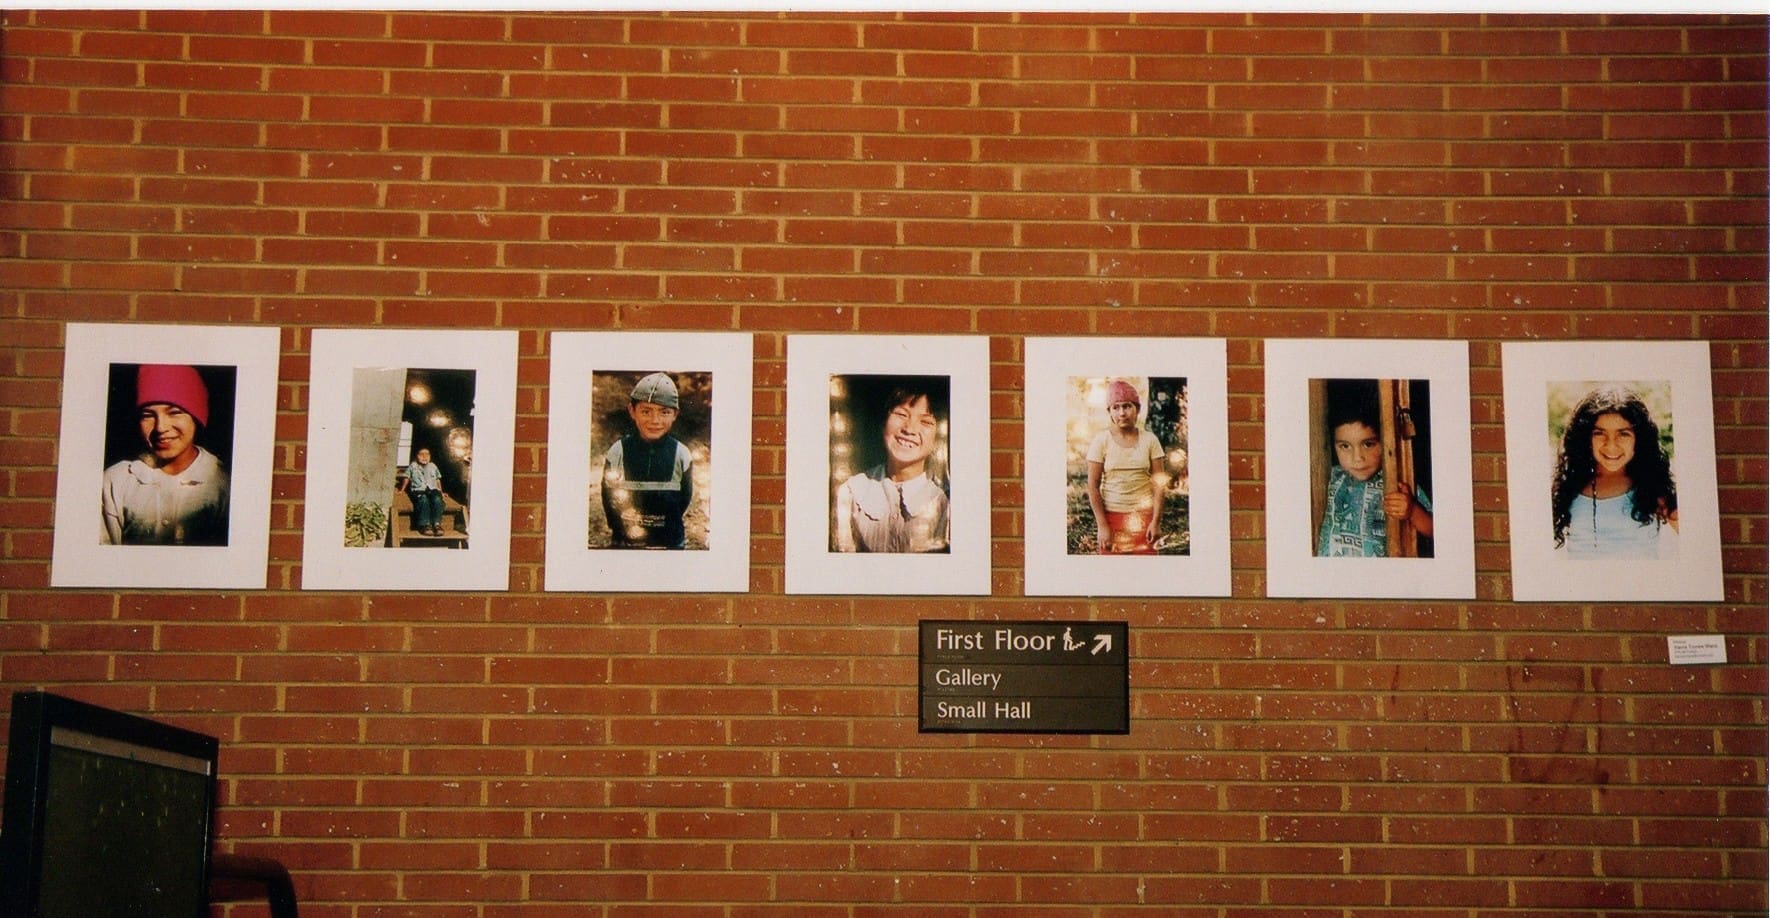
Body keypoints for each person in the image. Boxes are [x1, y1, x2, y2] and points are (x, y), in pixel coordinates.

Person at [100, 364, 230, 545]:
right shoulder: (117, 480)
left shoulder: (224, 483)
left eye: (175, 413)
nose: (160, 428)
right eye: (148, 415)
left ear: (197, 417)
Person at [1551, 383, 1677, 559]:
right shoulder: (1569, 486)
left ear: (1639, 440)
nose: (1611, 446)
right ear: (1585, 437)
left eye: (1623, 434)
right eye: (1599, 433)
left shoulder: (1654, 487)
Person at [832, 383, 950, 553]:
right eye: (901, 414)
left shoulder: (944, 502)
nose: (909, 429)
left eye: (925, 422)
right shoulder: (851, 494)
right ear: (883, 423)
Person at [1315, 393, 1433, 557]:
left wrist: (1412, 511)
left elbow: (1433, 530)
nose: (1357, 458)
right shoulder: (1331, 477)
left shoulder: (1397, 481)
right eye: (1345, 446)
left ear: (1385, 442)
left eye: (1368, 444)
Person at [600, 372, 695, 549]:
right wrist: (618, 529)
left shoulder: (681, 454)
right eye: (646, 411)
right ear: (632, 411)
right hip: (627, 540)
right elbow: (608, 495)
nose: (655, 420)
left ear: (675, 414)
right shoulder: (617, 451)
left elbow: (685, 497)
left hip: (669, 540)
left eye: (664, 412)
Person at [1084, 379, 1166, 554]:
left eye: (1127, 406)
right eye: (1116, 407)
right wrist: (1103, 526)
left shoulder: (1150, 440)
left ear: (1138, 409)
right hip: (1111, 518)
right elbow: (1093, 486)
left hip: (1144, 519)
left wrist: (1156, 522)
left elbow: (1160, 484)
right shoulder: (1101, 441)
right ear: (1109, 411)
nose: (1122, 413)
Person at [404, 447, 446, 536]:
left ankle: (436, 524)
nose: (424, 457)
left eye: (427, 454)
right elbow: (406, 478)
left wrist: (441, 492)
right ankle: (424, 524)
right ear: (416, 456)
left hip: (432, 488)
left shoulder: (433, 466)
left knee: (437, 499)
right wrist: (401, 490)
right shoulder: (413, 466)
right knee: (423, 499)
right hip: (418, 489)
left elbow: (437, 480)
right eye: (421, 454)